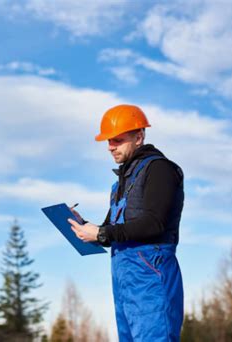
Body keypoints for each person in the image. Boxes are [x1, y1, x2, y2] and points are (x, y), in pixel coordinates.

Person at [68, 104, 184, 341]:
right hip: (124, 280)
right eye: (108, 141)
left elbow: (154, 223)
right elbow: (111, 232)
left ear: (139, 137)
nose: (111, 147)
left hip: (151, 275)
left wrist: (101, 234)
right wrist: (84, 225)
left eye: (117, 140)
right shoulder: (121, 182)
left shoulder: (160, 169)